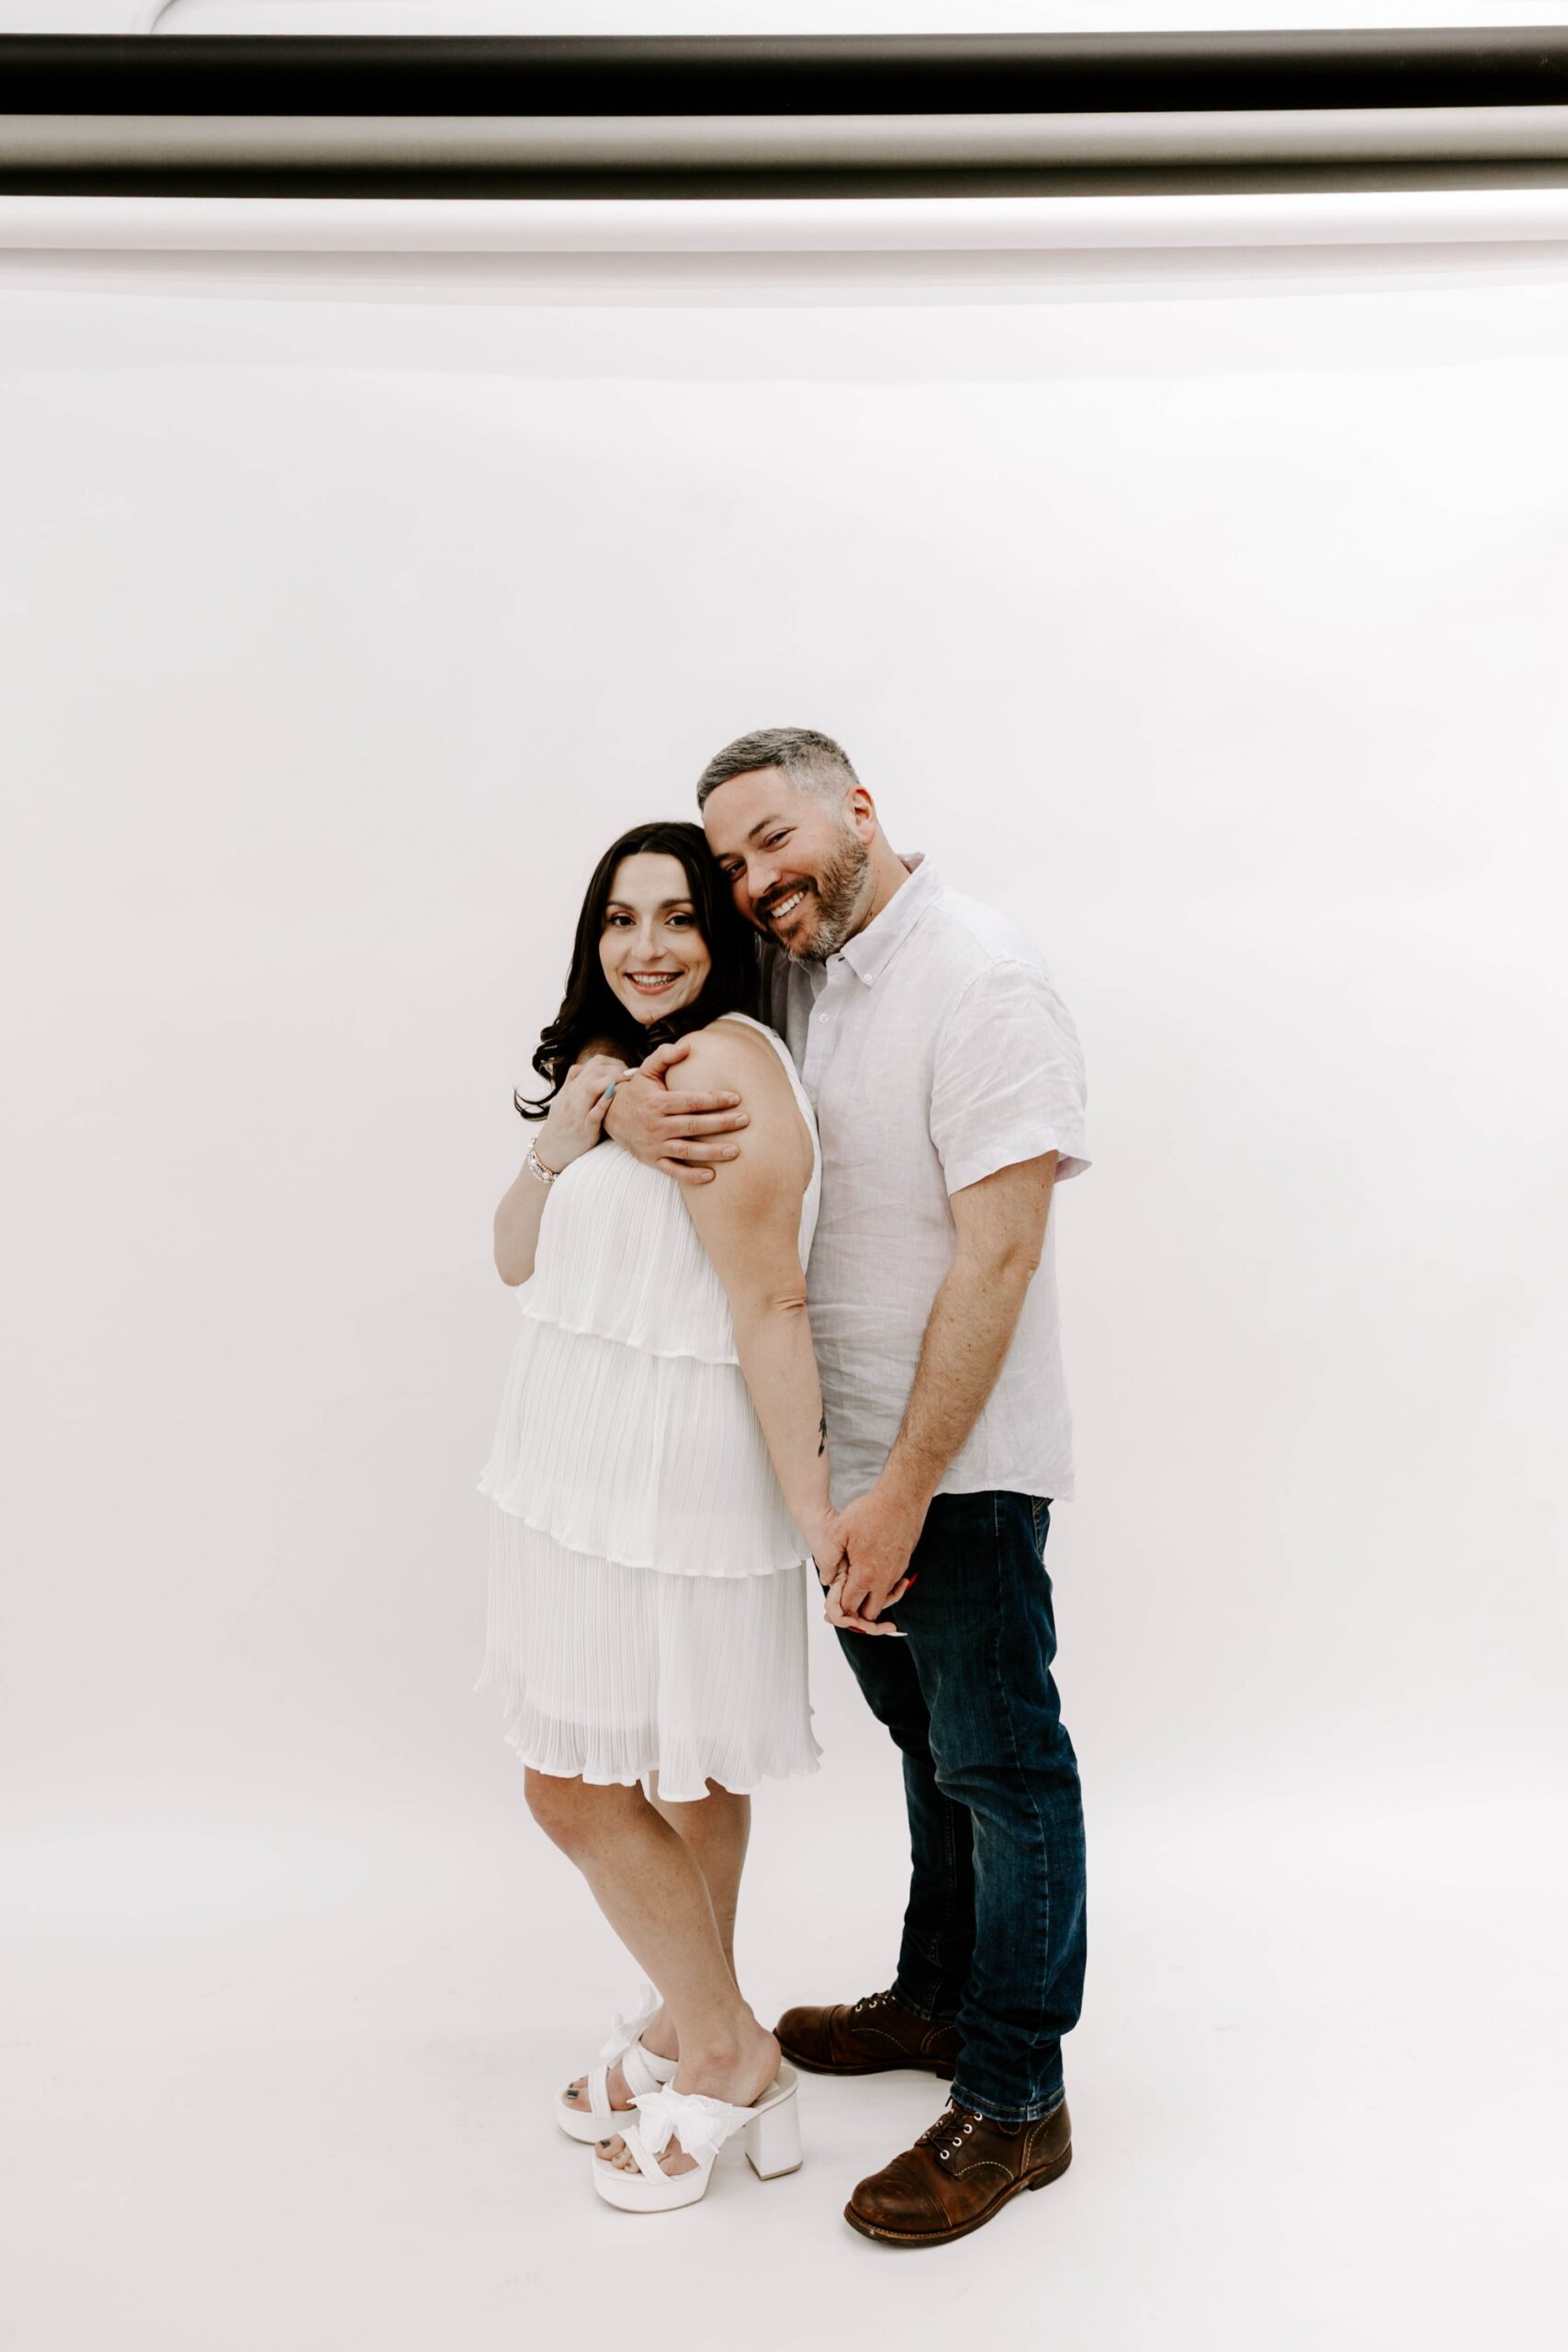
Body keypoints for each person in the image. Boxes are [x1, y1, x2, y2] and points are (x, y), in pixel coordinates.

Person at [605, 729, 1090, 2248]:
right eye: (733, 863)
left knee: (1007, 1778)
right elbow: (645, 1031)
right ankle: (939, 1999)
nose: (753, 883)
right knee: (932, 1756)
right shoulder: (806, 971)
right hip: (842, 1476)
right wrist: (612, 1107)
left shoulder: (983, 979)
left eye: (771, 843)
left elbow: (1000, 1254)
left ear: (859, 809)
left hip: (956, 1476)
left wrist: (904, 1495)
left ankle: (1017, 2102)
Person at [477, 819, 878, 2216]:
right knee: (684, 1772)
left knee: (574, 1785)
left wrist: (821, 1507)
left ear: (723, 937)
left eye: (679, 919)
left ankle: (725, 2053)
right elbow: (517, 1257)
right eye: (618, 919)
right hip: (587, 1477)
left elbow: (769, 1303)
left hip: (675, 1480)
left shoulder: (718, 1070)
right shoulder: (618, 1076)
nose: (646, 946)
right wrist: (574, 1128)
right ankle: (681, 2017)